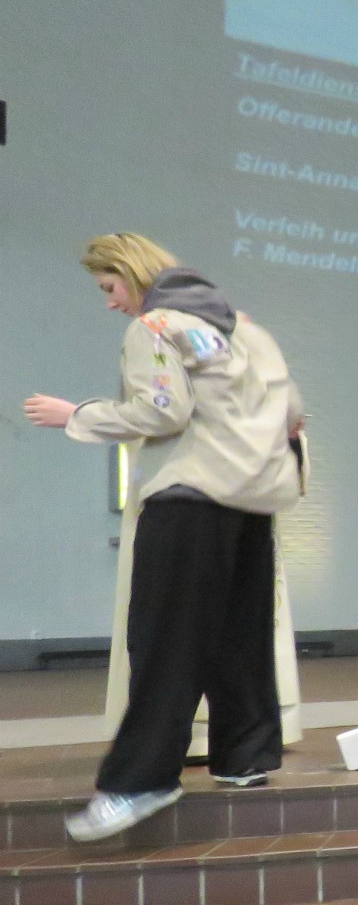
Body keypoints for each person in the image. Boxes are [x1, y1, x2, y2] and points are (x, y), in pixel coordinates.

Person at [24, 234, 305, 841]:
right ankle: (246, 757)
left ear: (131, 273)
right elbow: (292, 414)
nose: (110, 303)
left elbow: (162, 412)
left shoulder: (155, 327)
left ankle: (138, 782)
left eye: (109, 288)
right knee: (240, 634)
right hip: (250, 506)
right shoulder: (245, 330)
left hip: (186, 500)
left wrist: (77, 414)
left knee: (165, 640)